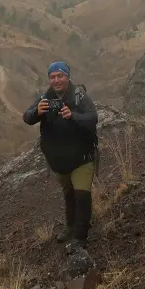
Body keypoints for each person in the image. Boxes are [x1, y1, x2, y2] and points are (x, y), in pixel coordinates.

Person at [23, 61, 98, 245]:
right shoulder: (45, 98)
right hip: (59, 161)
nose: (56, 80)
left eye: (60, 76)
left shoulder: (79, 96)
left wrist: (73, 116)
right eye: (52, 77)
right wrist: (36, 113)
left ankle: (80, 237)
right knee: (69, 194)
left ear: (67, 77)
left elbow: (93, 117)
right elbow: (27, 116)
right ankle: (70, 227)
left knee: (82, 195)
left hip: (82, 158)